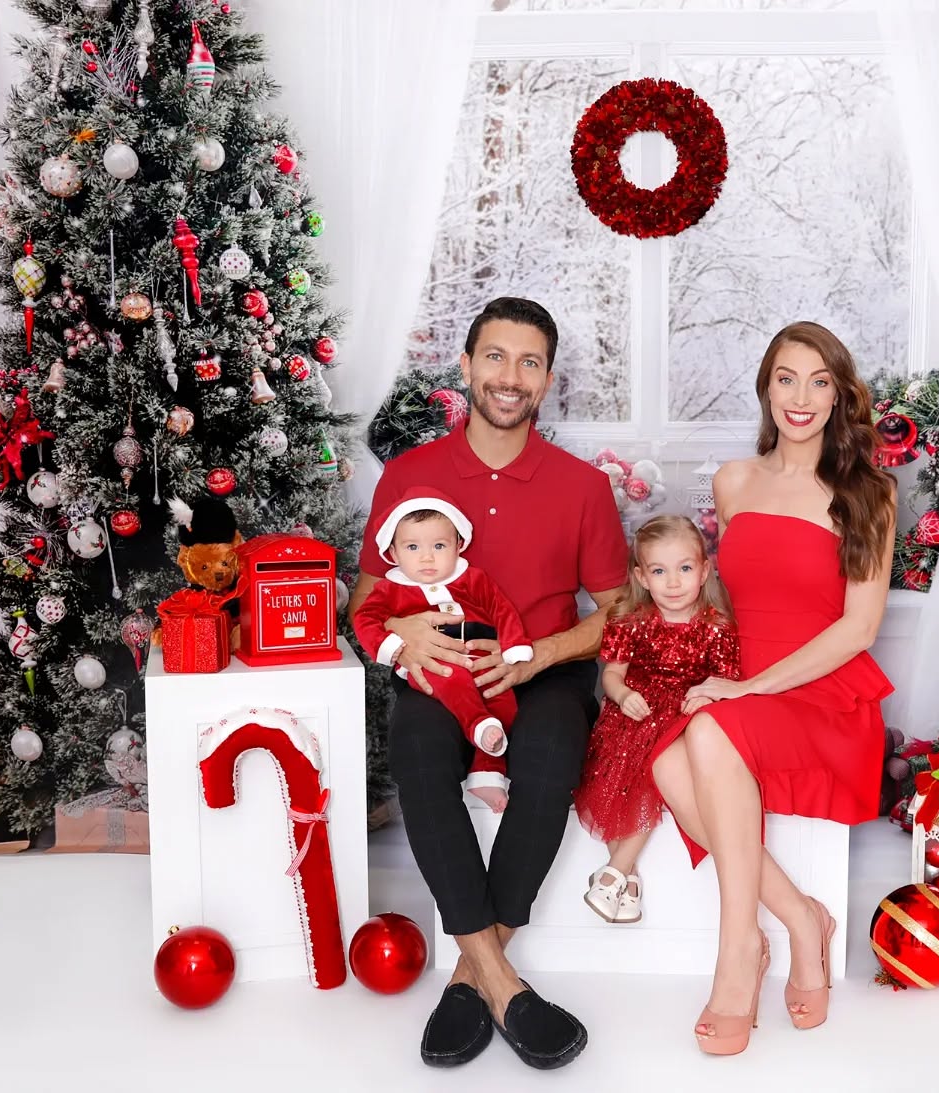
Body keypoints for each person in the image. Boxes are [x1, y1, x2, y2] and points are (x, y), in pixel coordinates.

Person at [348, 298, 627, 1071]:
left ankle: (470, 978)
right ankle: (506, 984)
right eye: (496, 357)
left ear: (546, 378)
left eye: (529, 361)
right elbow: (363, 597)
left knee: (548, 762)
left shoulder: (582, 487)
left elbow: (617, 613)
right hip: (442, 670)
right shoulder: (410, 475)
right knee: (415, 755)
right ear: (466, 366)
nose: (511, 376)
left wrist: (537, 656)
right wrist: (401, 630)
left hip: (544, 668)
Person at [649, 321, 896, 1056]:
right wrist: (701, 672)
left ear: (839, 395)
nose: (801, 397)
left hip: (823, 687)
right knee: (665, 760)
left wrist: (746, 688)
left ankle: (736, 960)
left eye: (820, 381)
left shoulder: (866, 494)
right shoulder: (733, 481)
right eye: (786, 377)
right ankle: (799, 917)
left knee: (703, 734)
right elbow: (727, 597)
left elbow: (857, 630)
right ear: (765, 386)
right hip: (744, 682)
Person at [572, 515, 739, 924]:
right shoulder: (632, 620)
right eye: (660, 571)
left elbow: (725, 682)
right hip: (633, 712)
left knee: (652, 769)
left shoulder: (715, 627)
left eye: (685, 568)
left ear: (704, 570)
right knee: (615, 770)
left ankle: (615, 872)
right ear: (642, 577)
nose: (674, 582)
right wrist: (623, 693)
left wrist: (703, 697)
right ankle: (626, 878)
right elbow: (611, 674)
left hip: (679, 718)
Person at [352, 488, 534, 811]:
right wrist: (392, 646)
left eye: (439, 546)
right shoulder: (391, 588)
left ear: (458, 545)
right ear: (393, 554)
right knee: (452, 679)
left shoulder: (473, 579)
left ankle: (487, 772)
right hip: (430, 662)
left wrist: (514, 645)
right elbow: (366, 619)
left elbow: (501, 608)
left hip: (478, 654)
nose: (427, 557)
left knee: (504, 700)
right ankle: (476, 721)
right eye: (412, 547)